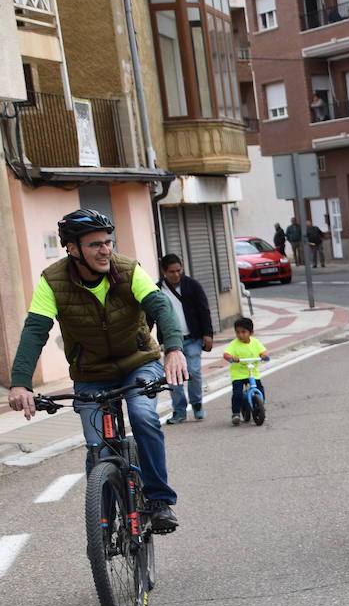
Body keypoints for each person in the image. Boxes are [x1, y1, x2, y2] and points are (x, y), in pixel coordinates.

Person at [8, 207, 188, 531]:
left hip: (139, 362)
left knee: (144, 416)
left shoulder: (129, 270)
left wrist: (174, 348)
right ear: (73, 249)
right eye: (95, 244)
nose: (105, 250)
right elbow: (35, 331)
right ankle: (102, 519)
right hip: (91, 374)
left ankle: (159, 502)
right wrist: (20, 384)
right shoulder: (53, 281)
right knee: (97, 447)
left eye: (108, 242)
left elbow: (159, 306)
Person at [157, 254, 215, 424]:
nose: (176, 274)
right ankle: (179, 411)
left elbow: (204, 309)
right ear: (164, 271)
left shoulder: (192, 285)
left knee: (194, 372)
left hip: (193, 338)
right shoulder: (157, 289)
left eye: (178, 270)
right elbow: (151, 316)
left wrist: (208, 334)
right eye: (171, 271)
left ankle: (197, 404)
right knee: (174, 377)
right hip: (171, 342)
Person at [222, 317, 269, 427]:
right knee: (237, 393)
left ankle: (260, 406)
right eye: (237, 332)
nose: (240, 335)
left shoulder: (255, 343)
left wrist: (264, 356)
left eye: (243, 332)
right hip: (238, 373)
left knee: (260, 389)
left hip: (252, 372)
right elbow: (226, 354)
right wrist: (231, 358)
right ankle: (236, 413)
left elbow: (264, 352)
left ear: (251, 332)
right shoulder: (234, 344)